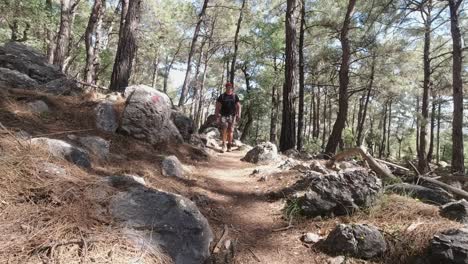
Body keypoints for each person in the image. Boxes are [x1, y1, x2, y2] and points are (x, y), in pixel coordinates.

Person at [215, 82, 241, 152]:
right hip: (223, 115)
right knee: (224, 130)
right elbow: (217, 106)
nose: (229, 88)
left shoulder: (234, 96)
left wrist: (239, 115)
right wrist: (216, 115)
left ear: (232, 88)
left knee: (230, 131)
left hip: (232, 116)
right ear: (226, 88)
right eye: (227, 87)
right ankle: (224, 145)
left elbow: (238, 106)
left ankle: (229, 145)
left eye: (230, 87)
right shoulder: (222, 96)